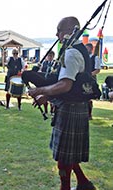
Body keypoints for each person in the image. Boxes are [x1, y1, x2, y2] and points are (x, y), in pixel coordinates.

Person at [28, 16, 96, 190]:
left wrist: (40, 90)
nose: (56, 34)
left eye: (58, 30)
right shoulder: (81, 50)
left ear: (68, 31)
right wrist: (48, 97)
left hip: (70, 111)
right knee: (68, 156)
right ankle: (83, 183)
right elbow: (73, 85)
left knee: (63, 161)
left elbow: (65, 85)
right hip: (75, 107)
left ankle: (67, 187)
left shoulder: (72, 52)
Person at [85, 43, 101, 120]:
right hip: (84, 78)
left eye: (87, 48)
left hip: (91, 79)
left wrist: (90, 74)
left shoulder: (95, 57)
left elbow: (97, 69)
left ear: (91, 49)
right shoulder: (84, 57)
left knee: (89, 97)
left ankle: (89, 114)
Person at [40, 50, 56, 115]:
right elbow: (42, 70)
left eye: (51, 56)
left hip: (52, 81)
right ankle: (45, 110)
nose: (49, 57)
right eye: (48, 56)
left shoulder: (55, 63)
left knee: (52, 96)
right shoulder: (44, 63)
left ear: (53, 56)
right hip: (45, 81)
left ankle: (52, 111)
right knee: (45, 95)